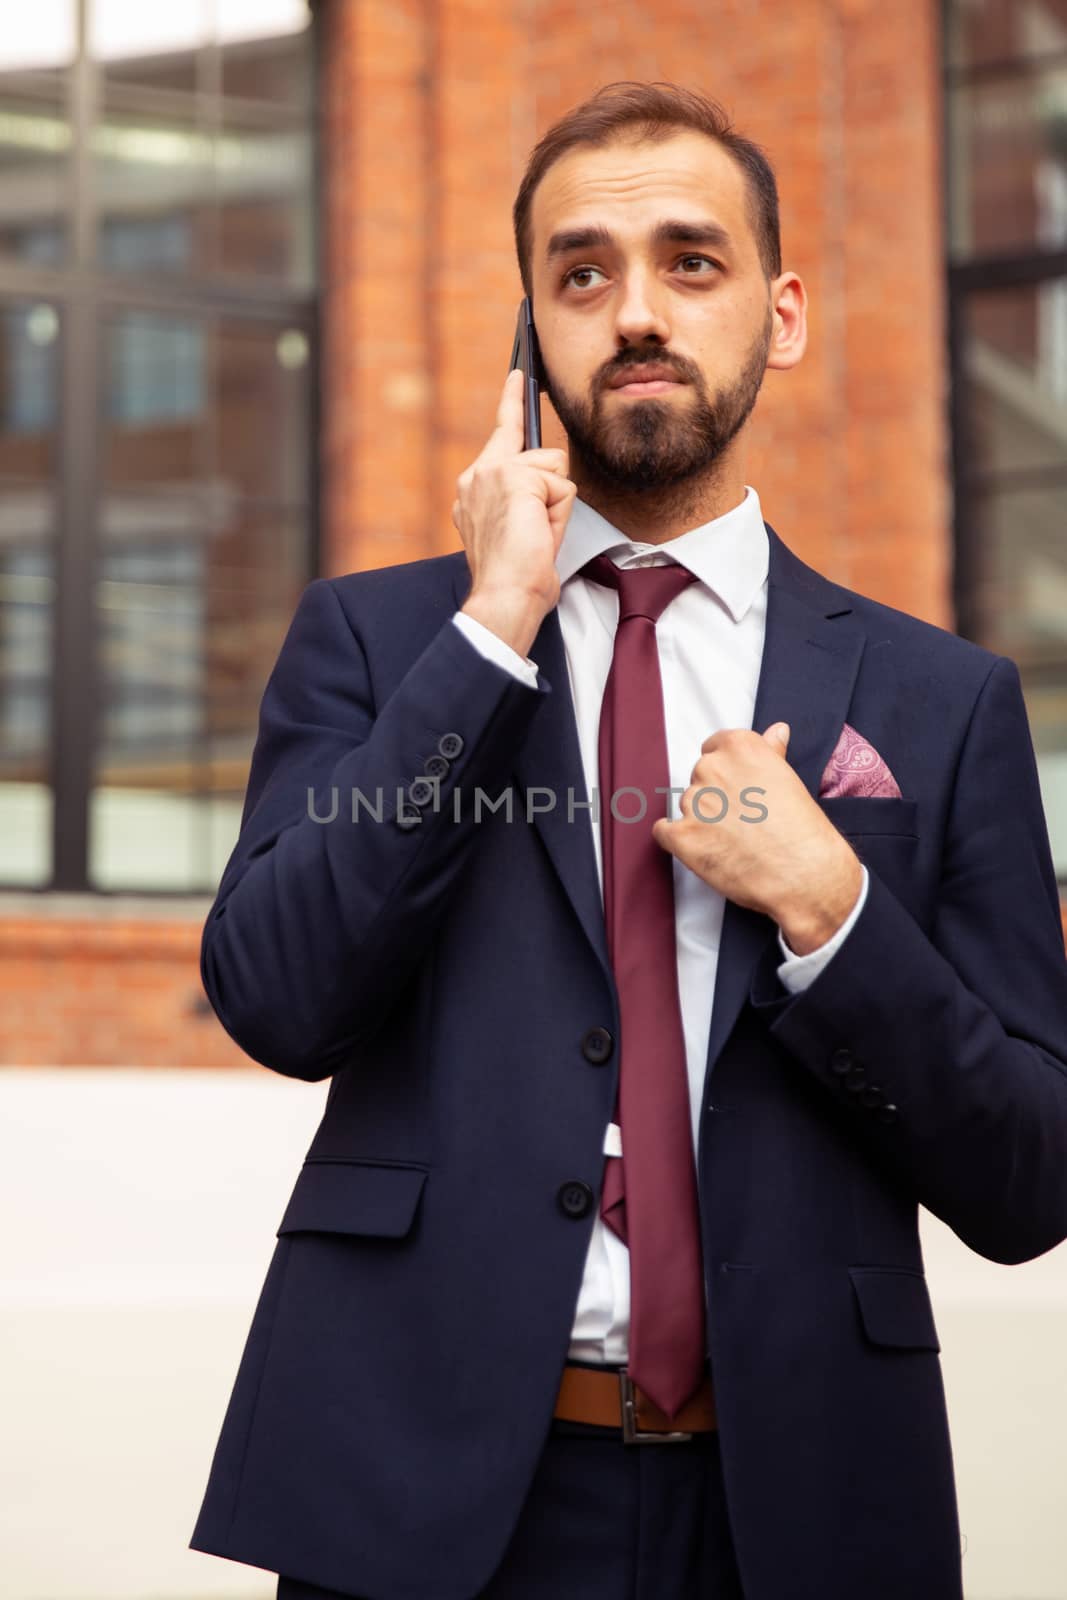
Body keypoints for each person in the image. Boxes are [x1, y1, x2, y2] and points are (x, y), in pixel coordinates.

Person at [188, 81, 1067, 1600]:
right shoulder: (384, 642)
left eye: (692, 262)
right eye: (582, 273)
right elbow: (277, 995)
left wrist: (836, 914)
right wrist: (488, 635)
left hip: (792, 1505)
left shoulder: (945, 701)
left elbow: (1032, 1178)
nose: (636, 311)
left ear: (780, 315)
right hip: (422, 1495)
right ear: (529, 331)